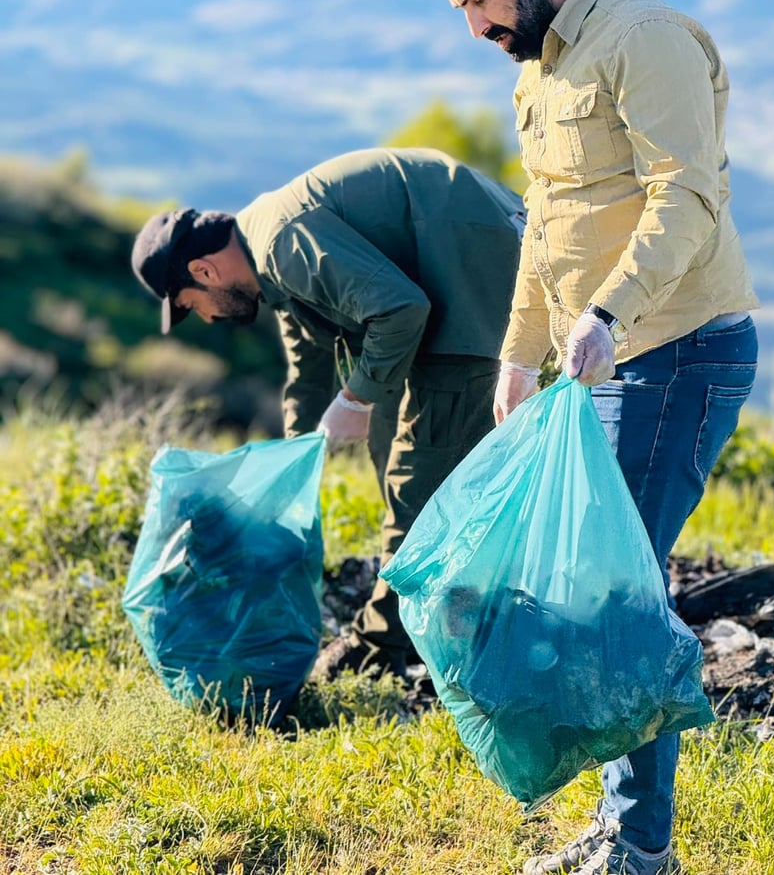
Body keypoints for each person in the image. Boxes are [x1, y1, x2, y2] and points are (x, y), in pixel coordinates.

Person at [412, 0, 759, 875]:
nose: (476, 26)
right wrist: (517, 353)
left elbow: (688, 189)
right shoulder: (541, 70)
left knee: (615, 598)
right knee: (601, 591)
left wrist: (606, 311)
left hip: (680, 349)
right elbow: (547, 222)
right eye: (461, 11)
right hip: (596, 362)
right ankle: (629, 823)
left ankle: (640, 845)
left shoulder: (642, 37)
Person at [131, 146, 526, 681]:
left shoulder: (281, 243)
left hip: (472, 288)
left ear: (204, 270)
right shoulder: (266, 262)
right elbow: (308, 374)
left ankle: (380, 649)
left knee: (417, 482)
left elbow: (401, 309)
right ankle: (455, 622)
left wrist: (357, 398)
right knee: (397, 460)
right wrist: (292, 470)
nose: (204, 318)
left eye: (190, 305)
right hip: (446, 296)